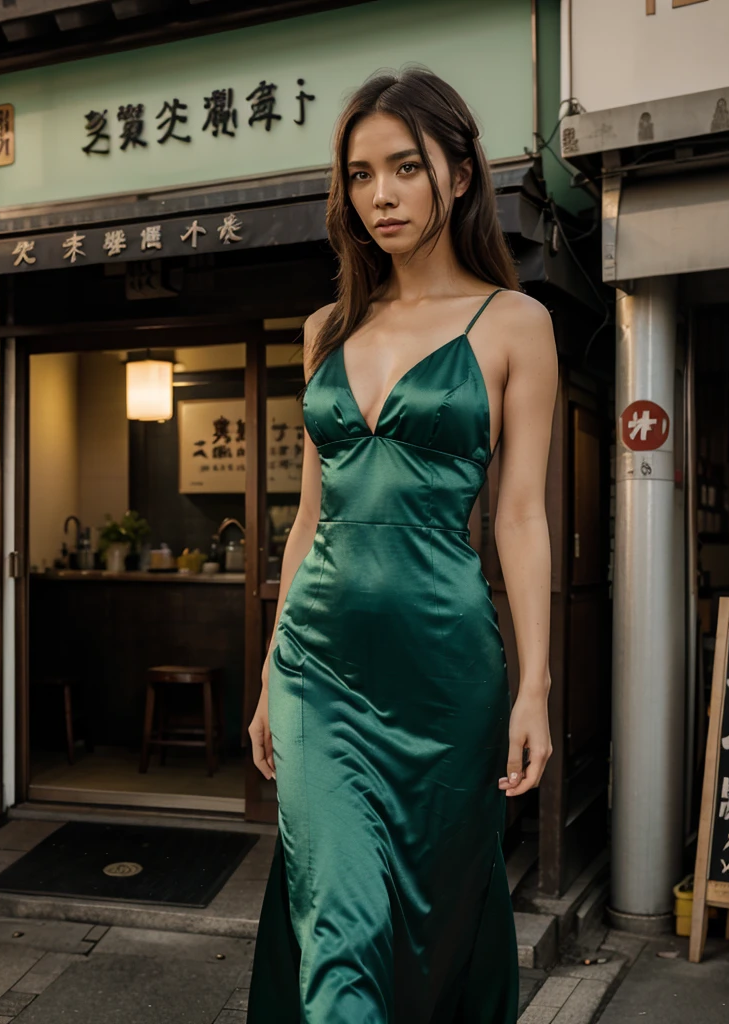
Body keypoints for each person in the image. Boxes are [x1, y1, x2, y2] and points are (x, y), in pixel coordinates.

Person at [245, 67, 557, 1024]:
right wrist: (268, 673)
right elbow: (308, 519)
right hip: (318, 668)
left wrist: (535, 687)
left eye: (404, 169)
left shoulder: (516, 323)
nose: (379, 195)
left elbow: (519, 517)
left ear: (458, 175)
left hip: (445, 669)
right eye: (360, 174)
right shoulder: (325, 330)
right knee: (337, 921)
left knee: (435, 916)